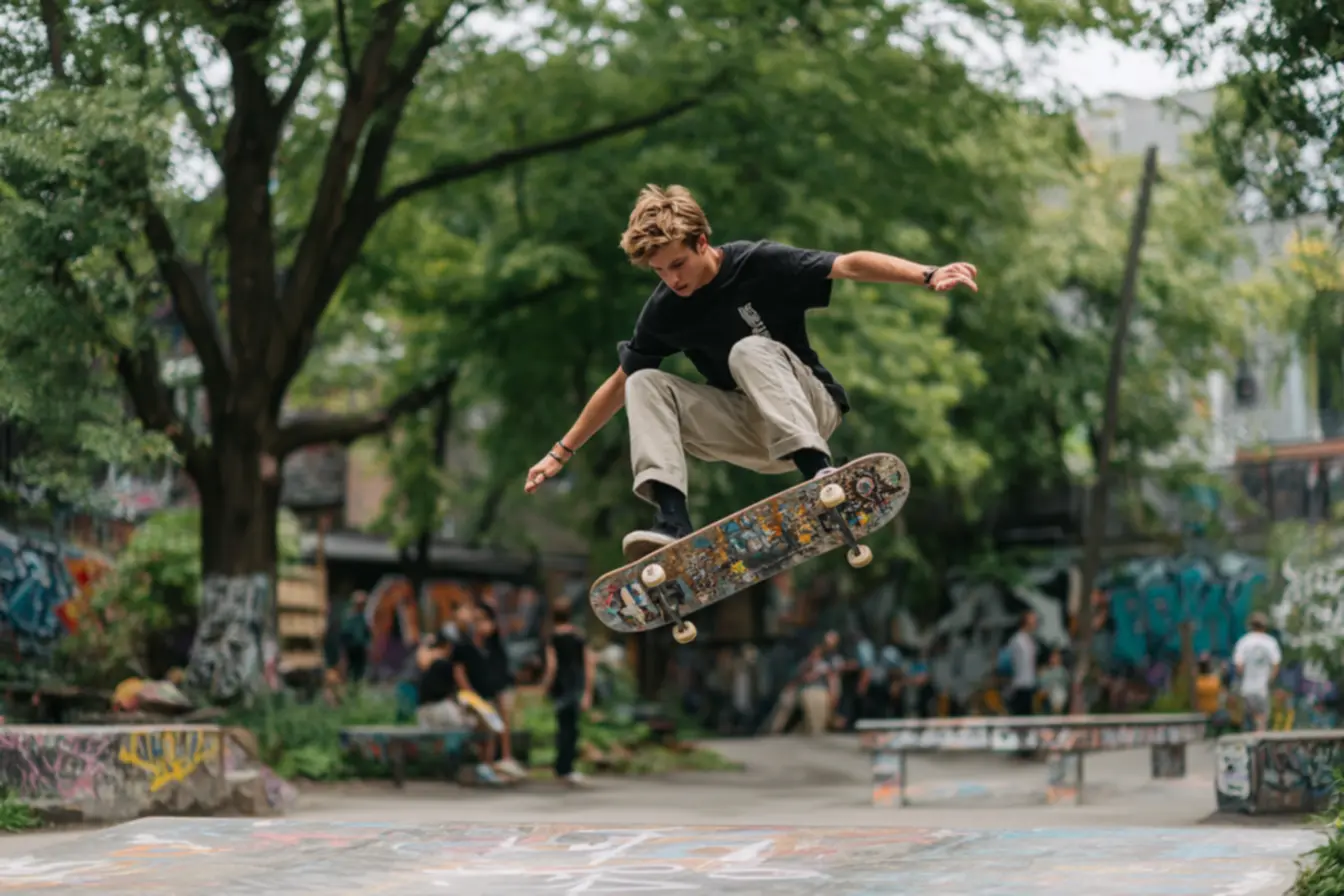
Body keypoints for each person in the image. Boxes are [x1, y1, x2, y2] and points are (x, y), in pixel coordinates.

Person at [521, 184, 977, 558]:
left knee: (748, 350)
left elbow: (848, 264)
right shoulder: (665, 310)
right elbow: (619, 385)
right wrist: (560, 452)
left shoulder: (757, 264)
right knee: (642, 380)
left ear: (703, 242)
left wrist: (927, 273)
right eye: (660, 272)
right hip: (749, 432)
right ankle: (671, 524)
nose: (673, 280)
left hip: (810, 411)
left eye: (678, 264)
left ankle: (820, 475)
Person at [453, 603, 525, 781]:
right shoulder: (464, 645)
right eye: (477, 620)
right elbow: (459, 673)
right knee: (488, 716)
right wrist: (472, 696)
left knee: (501, 711)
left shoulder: (494, 647)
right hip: (471, 698)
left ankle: (504, 758)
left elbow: (501, 674)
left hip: (492, 694)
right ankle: (486, 763)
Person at [539, 599, 596, 787]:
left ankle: (562, 767)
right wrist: (588, 692)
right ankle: (567, 767)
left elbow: (552, 665)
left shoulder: (552, 638)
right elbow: (589, 664)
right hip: (576, 687)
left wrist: (545, 685)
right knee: (572, 729)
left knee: (563, 728)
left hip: (561, 688)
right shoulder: (579, 636)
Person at [1233, 612, 1282, 732]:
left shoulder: (1243, 642)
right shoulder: (1270, 642)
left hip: (1247, 689)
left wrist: (1246, 675)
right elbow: (1276, 664)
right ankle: (1260, 743)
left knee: (1248, 721)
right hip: (1262, 689)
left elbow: (1238, 667)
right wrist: (1269, 679)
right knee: (1261, 720)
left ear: (1251, 625)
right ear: (1264, 626)